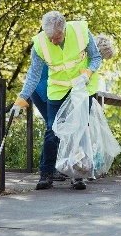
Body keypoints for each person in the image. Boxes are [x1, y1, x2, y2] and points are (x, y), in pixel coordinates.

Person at [11, 11, 102, 190]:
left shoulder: (81, 31)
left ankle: (77, 174)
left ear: (64, 29)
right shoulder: (39, 43)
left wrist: (88, 73)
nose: (53, 40)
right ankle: (46, 173)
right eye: (49, 37)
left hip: (82, 88)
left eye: (57, 36)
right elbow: (34, 74)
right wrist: (21, 99)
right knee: (53, 129)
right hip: (57, 89)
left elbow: (96, 57)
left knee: (79, 131)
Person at [30, 34, 115, 182]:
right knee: (55, 128)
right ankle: (51, 169)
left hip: (58, 93)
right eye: (100, 57)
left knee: (64, 130)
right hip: (44, 92)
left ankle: (66, 168)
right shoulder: (74, 57)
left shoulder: (81, 57)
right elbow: (44, 79)